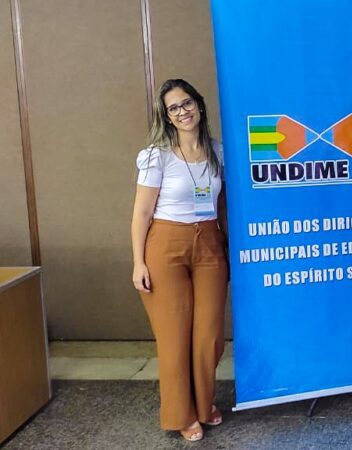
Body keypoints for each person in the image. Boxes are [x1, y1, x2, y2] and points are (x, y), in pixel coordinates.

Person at [131, 79, 228, 442]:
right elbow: (141, 213)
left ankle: (204, 404)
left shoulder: (218, 152)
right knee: (174, 338)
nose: (182, 111)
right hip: (165, 246)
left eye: (187, 103)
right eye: (173, 108)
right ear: (167, 117)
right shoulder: (156, 156)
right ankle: (182, 414)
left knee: (209, 336)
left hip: (209, 245)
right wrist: (138, 262)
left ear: (199, 106)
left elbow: (222, 206)